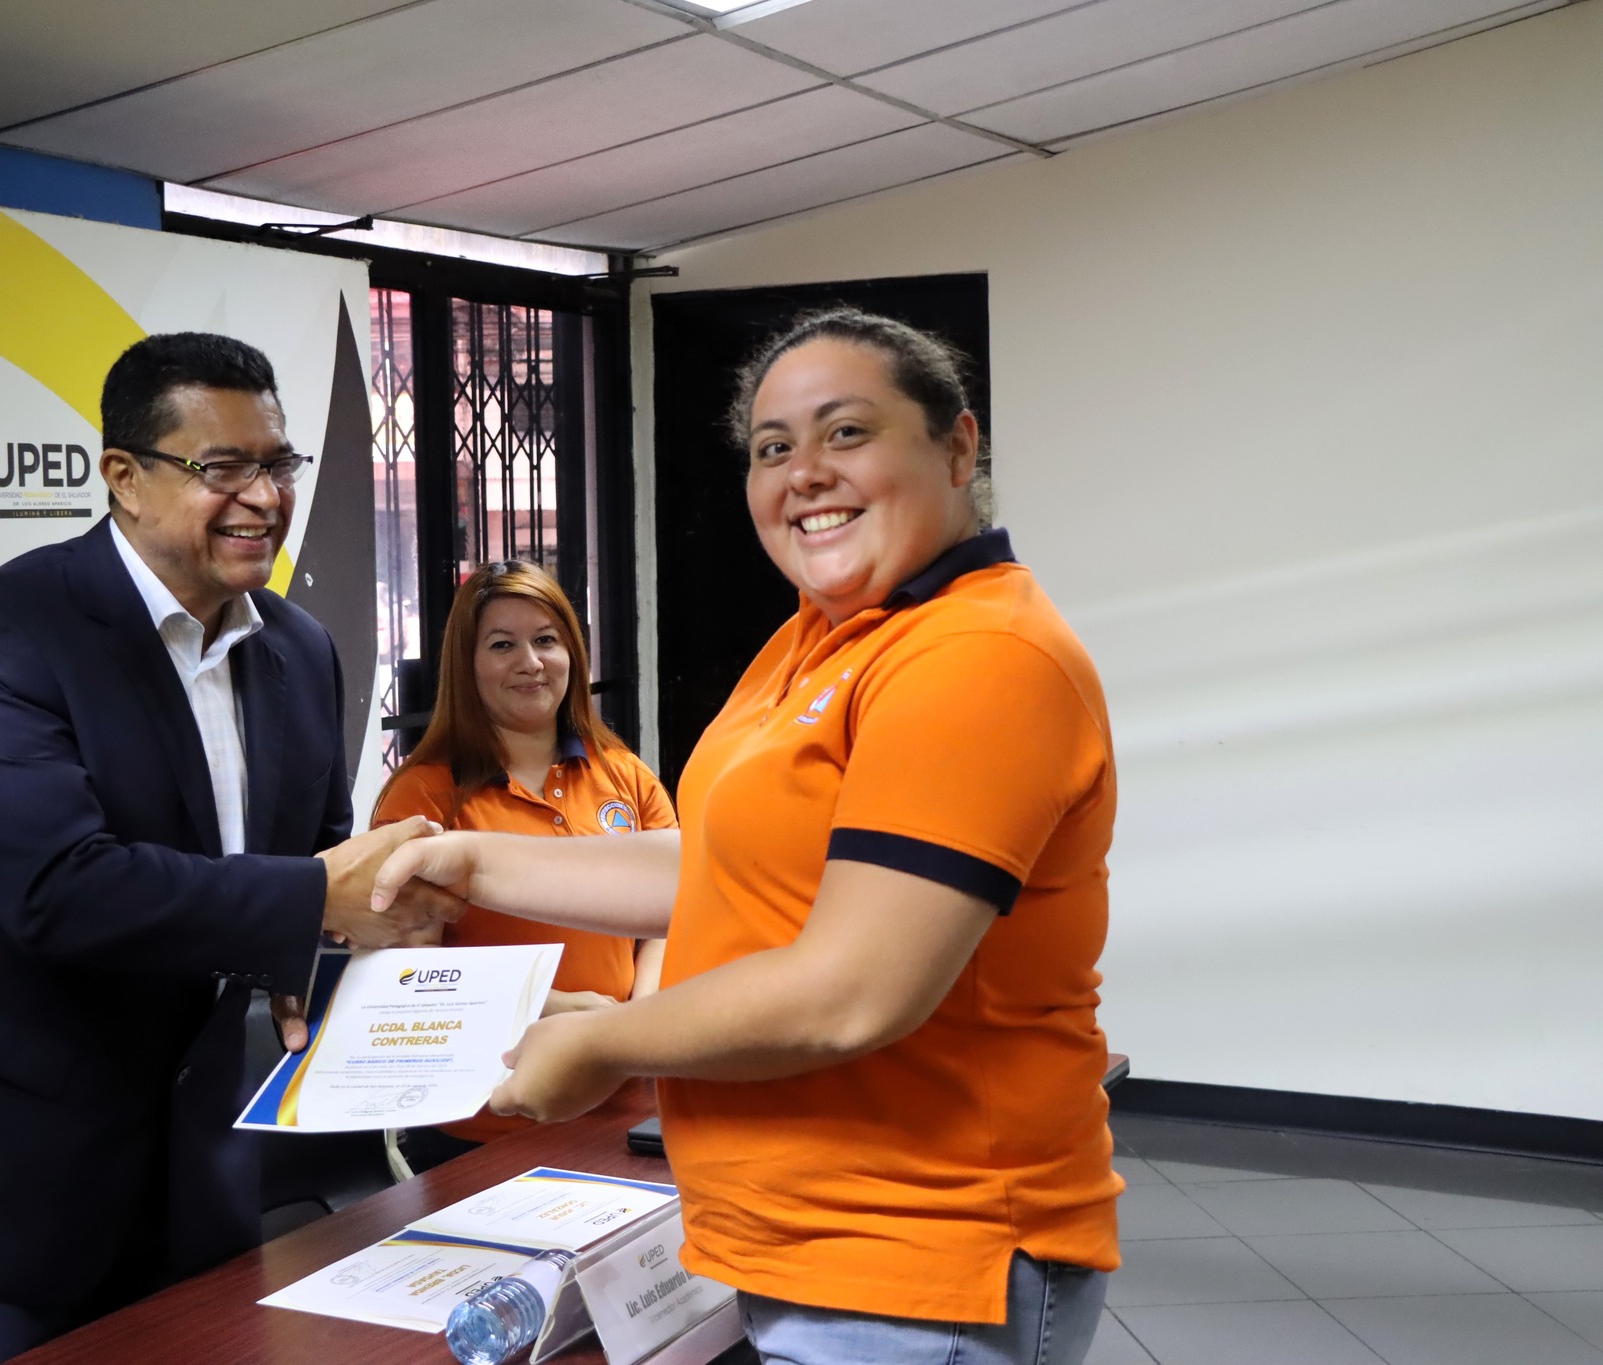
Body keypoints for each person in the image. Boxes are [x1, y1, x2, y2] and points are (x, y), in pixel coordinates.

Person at [373, 309, 1122, 1365]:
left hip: (913, 1251)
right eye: (773, 447)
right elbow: (724, 870)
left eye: (846, 432)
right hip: (799, 1235)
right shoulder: (817, 637)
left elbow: (852, 990)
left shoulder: (977, 655)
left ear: (957, 448)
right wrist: (475, 858)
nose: (804, 473)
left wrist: (602, 1043)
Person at [0, 332, 458, 1365]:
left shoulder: (299, 647)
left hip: (200, 1173)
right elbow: (57, 887)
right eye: (222, 467)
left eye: (277, 463)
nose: (263, 497)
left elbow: (314, 863)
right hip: (4, 1184)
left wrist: (374, 955)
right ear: (124, 478)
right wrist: (315, 901)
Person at [370, 559, 674, 1174]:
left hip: (624, 1103)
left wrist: (635, 1026)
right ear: (466, 664)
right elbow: (409, 973)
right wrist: (556, 1009)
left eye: (546, 640)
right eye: (502, 645)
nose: (530, 663)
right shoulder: (424, 794)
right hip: (483, 1120)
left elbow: (672, 915)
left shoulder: (625, 774)